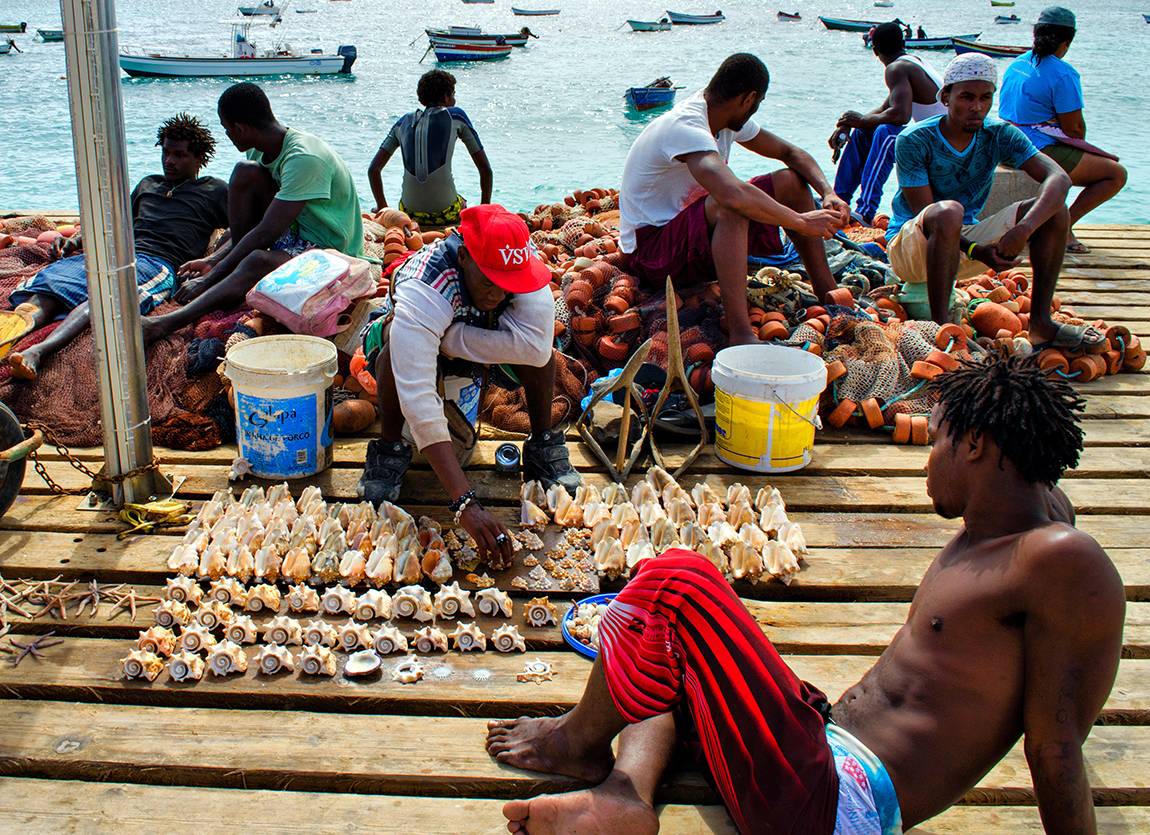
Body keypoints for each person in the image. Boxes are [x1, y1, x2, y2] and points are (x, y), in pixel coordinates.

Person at [485, 353, 1125, 835]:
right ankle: (627, 794)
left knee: (677, 579)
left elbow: (1055, 743)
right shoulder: (1016, 521)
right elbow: (1044, 493)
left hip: (834, 803)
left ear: (978, 446)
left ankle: (577, 745)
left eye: (936, 443)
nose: (927, 461)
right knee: (660, 647)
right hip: (811, 749)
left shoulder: (1058, 559)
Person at [356, 204, 581, 563]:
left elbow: (535, 348)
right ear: (463, 257)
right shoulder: (426, 287)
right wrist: (465, 503)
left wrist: (453, 339)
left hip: (466, 336)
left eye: (508, 285)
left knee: (544, 358)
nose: (499, 292)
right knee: (389, 356)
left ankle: (541, 445)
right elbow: (417, 395)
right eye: (488, 282)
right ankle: (389, 449)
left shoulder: (521, 267)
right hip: (411, 338)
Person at [619, 53, 849, 347]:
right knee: (730, 205)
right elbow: (731, 194)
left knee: (790, 182)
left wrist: (828, 193)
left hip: (694, 239)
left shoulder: (722, 115)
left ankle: (828, 292)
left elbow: (793, 154)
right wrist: (801, 222)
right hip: (651, 254)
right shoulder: (686, 125)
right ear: (748, 99)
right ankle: (740, 333)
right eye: (757, 103)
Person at [886, 53, 1105, 351]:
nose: (976, 107)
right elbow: (923, 212)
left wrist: (1024, 229)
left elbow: (1059, 178)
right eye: (966, 97)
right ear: (946, 97)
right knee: (949, 211)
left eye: (985, 98)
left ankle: (1041, 324)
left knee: (1056, 210)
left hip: (964, 245)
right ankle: (941, 332)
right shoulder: (915, 139)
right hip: (911, 248)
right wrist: (977, 249)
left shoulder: (998, 134)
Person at [5, 114, 228, 379]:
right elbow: (115, 223)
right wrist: (75, 240)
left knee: (107, 297)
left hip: (156, 264)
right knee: (52, 284)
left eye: (179, 155)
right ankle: (12, 335)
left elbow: (242, 230)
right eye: (166, 153)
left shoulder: (214, 190)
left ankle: (39, 351)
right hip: (117, 253)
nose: (169, 161)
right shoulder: (149, 184)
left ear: (200, 157)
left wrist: (213, 261)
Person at [140, 83, 364, 344]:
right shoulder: (258, 149)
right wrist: (214, 260)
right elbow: (254, 223)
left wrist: (210, 278)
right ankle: (233, 280)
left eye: (227, 129)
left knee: (256, 259)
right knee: (244, 172)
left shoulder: (304, 158)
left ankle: (165, 324)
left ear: (240, 128)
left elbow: (267, 231)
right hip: (294, 235)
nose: (228, 135)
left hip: (328, 251)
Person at [999, 6, 1127, 253]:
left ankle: (1058, 223)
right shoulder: (1063, 73)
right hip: (1036, 149)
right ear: (1067, 41)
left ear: (1036, 33)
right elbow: (1075, 129)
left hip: (1007, 143)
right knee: (1115, 174)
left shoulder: (1018, 62)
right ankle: (1065, 226)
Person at [831, 22, 946, 225]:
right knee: (864, 132)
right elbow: (886, 109)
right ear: (903, 43)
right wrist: (852, 123)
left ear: (874, 50)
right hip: (934, 136)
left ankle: (866, 210)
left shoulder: (896, 68)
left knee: (886, 133)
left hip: (940, 143)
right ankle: (838, 201)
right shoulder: (910, 62)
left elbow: (900, 115)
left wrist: (864, 120)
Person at [367, 69, 492, 227]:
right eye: (453, 95)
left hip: (409, 213)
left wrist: (383, 208)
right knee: (462, 203)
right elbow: (485, 169)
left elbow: (373, 169)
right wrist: (485, 210)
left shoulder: (402, 122)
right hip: (445, 213)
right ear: (446, 97)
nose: (454, 100)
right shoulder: (456, 116)